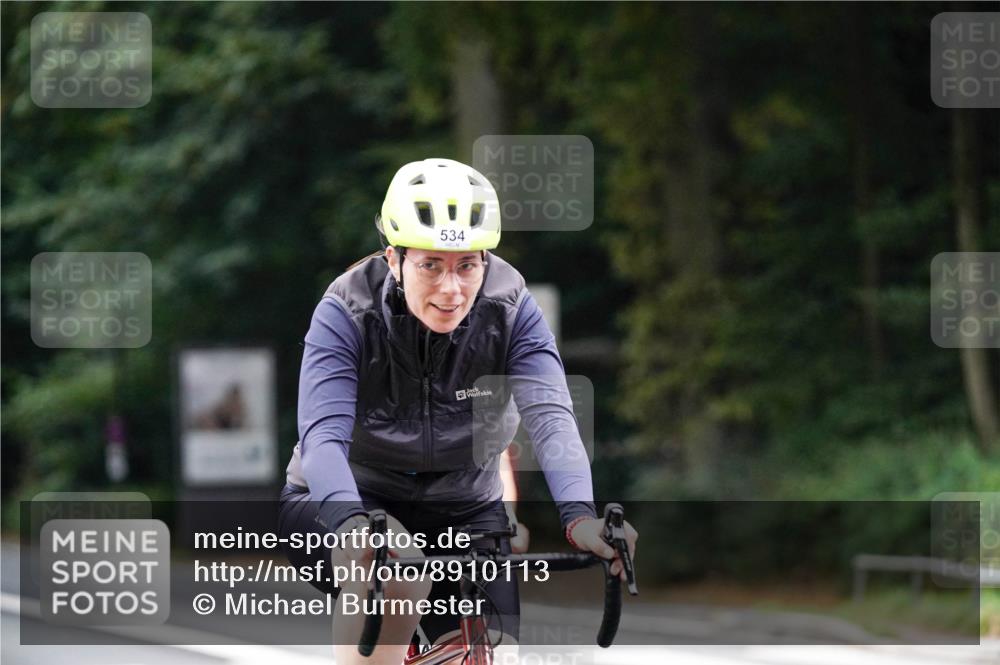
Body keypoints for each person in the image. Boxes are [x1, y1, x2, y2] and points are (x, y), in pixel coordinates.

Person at [278, 158, 637, 665]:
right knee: (399, 575)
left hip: (464, 505)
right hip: (347, 498)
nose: (451, 289)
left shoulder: (511, 308)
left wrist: (580, 517)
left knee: (494, 654)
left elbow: (552, 417)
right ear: (395, 258)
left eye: (467, 265)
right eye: (431, 265)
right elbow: (321, 439)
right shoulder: (345, 311)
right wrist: (353, 526)